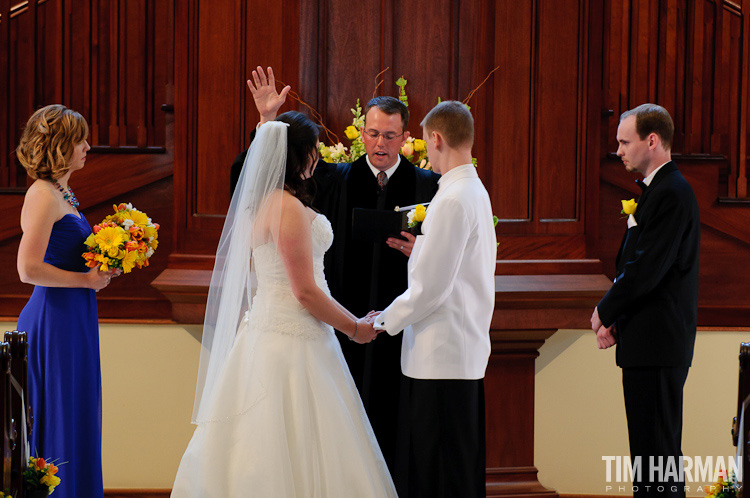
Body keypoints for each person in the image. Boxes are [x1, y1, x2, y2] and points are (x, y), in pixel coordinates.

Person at [172, 112, 397, 497]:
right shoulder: (287, 208)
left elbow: (263, 276)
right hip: (293, 340)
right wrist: (355, 328)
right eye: (314, 150)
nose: (319, 158)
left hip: (267, 330)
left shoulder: (260, 205)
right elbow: (305, 292)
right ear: (300, 156)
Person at [230, 66, 440, 473]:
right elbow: (252, 177)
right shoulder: (333, 177)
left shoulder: (427, 185)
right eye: (373, 134)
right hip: (335, 317)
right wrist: (266, 123)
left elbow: (448, 249)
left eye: (390, 135)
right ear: (362, 135)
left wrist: (423, 250)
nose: (380, 143)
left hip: (399, 324)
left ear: (404, 137)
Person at [369, 101, 496, 498]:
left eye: (425, 141)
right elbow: (457, 270)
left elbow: (430, 290)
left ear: (437, 139)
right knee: (456, 467)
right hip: (457, 352)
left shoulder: (454, 199)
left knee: (440, 473)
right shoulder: (472, 190)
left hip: (441, 357)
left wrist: (382, 320)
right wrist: (420, 252)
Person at [590, 104, 700, 498]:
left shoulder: (671, 192)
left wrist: (605, 311)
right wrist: (620, 322)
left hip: (658, 344)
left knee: (657, 459)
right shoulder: (659, 190)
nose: (618, 150)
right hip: (647, 341)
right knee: (649, 460)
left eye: (624, 141)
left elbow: (646, 269)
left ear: (651, 141)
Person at [15, 104, 115, 498]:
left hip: (74, 317)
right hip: (54, 319)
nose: (88, 146)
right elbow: (27, 268)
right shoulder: (42, 195)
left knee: (76, 411)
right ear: (60, 146)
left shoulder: (61, 190)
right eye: (80, 140)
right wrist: (87, 281)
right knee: (60, 413)